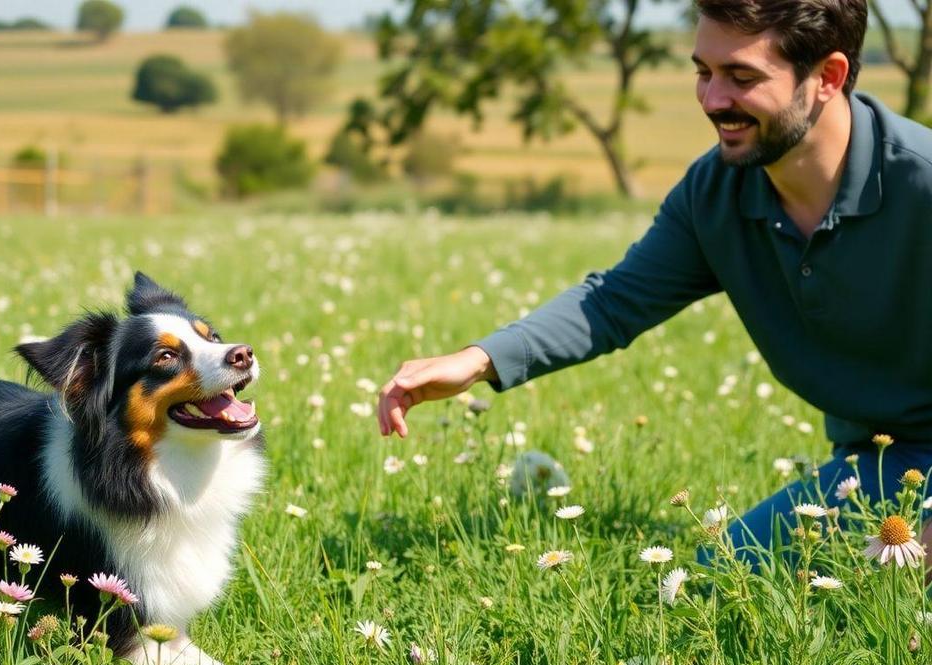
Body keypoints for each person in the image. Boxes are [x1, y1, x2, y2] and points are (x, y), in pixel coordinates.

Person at [376, 0, 932, 567]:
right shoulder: (715, 193)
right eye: (704, 72)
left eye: (742, 77)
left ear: (827, 77)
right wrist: (479, 359)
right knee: (727, 580)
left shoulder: (923, 183)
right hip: (877, 467)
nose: (714, 101)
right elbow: (614, 301)